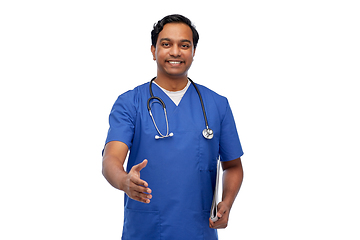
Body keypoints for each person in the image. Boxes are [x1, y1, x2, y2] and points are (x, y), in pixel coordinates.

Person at [102, 14, 244, 240]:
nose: (175, 52)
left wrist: (227, 202)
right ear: (153, 50)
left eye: (184, 45)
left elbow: (233, 166)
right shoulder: (130, 103)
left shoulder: (217, 105)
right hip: (145, 230)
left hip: (199, 230)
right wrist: (124, 181)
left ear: (194, 52)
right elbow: (111, 159)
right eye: (166, 44)